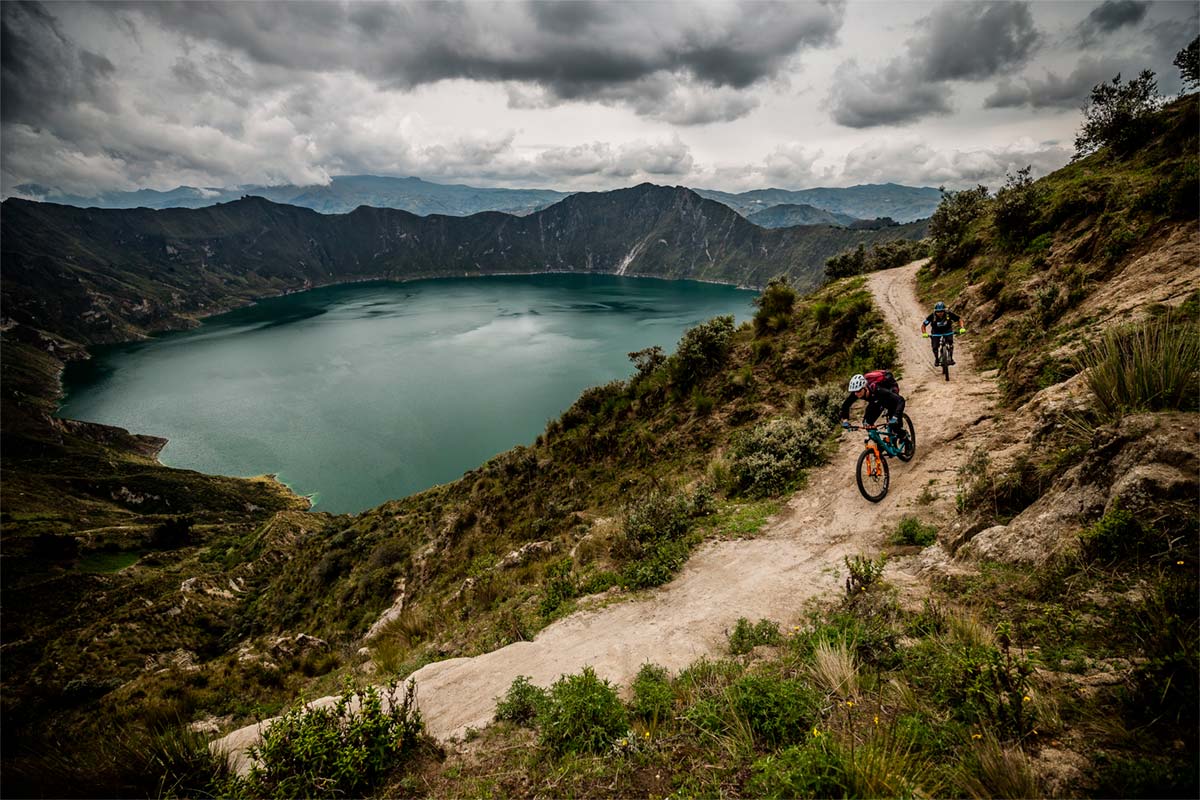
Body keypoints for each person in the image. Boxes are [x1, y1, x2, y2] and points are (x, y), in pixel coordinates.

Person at [839, 373, 907, 443]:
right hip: (876, 399)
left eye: (858, 391)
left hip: (888, 391)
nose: (856, 393)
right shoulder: (857, 392)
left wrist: (895, 417)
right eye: (854, 391)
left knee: (894, 424)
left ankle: (904, 436)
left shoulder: (876, 389)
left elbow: (900, 400)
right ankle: (880, 443)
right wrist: (845, 421)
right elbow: (846, 405)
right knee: (867, 423)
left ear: (865, 388)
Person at [921, 301, 966, 366]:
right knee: (935, 346)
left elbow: (959, 319)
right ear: (935, 311)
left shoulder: (948, 314)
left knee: (950, 342)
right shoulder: (932, 316)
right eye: (938, 311)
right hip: (936, 331)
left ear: (944, 310)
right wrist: (924, 333)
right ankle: (936, 359)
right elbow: (923, 325)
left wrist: (962, 328)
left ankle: (950, 357)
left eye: (941, 311)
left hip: (947, 330)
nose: (940, 313)